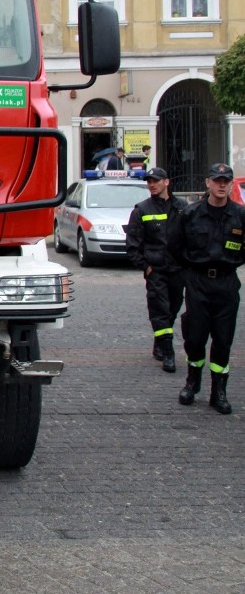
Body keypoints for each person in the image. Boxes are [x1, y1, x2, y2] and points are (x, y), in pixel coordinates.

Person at [167, 162, 245, 414]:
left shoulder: (240, 215)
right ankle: (192, 381)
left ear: (231, 184)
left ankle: (219, 391)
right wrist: (189, 273)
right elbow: (175, 245)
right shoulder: (191, 214)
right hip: (198, 282)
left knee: (223, 339)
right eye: (217, 180)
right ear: (208, 183)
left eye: (226, 181)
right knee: (196, 337)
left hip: (226, 282)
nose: (222, 185)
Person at [124, 167, 184, 372]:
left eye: (156, 181)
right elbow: (132, 244)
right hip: (156, 270)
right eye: (149, 181)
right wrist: (146, 267)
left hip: (177, 270)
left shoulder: (182, 207)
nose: (152, 184)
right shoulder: (142, 209)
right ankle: (168, 353)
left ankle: (160, 343)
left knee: (172, 310)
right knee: (160, 311)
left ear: (166, 182)